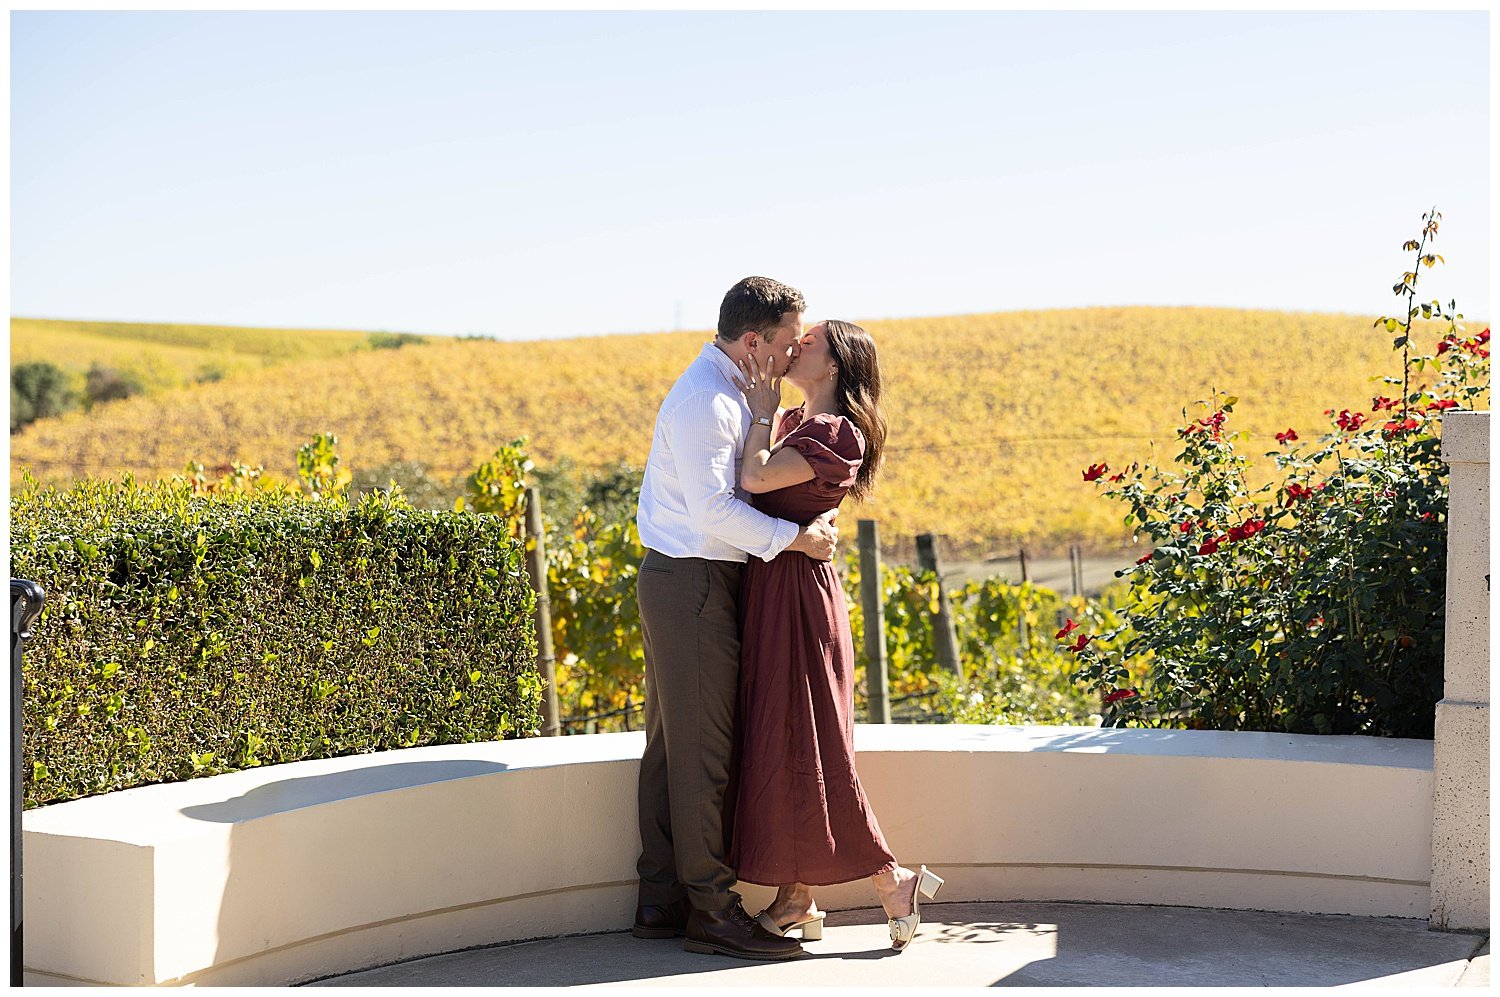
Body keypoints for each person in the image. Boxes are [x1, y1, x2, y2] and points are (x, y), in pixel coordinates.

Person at [631, 276, 840, 961]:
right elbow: (715, 512)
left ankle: (662, 899)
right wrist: (797, 540)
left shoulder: (729, 394)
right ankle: (713, 911)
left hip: (685, 580)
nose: (792, 353)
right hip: (695, 581)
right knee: (702, 754)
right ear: (753, 341)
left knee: (673, 747)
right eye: (787, 342)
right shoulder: (709, 401)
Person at [726, 319, 944, 952]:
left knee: (812, 740)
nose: (797, 346)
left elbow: (755, 480)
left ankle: (890, 877)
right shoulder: (799, 421)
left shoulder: (835, 432)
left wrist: (761, 411)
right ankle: (797, 897)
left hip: (798, 599)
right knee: (785, 738)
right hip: (777, 590)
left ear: (835, 365)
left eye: (811, 341)